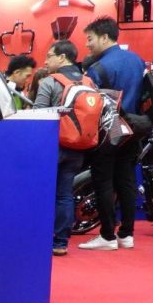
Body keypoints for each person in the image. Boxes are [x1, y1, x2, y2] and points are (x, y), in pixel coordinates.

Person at [80, 16, 148, 251]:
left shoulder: (97, 68)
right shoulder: (137, 60)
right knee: (126, 180)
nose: (87, 44)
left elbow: (90, 105)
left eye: (90, 39)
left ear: (104, 37)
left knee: (103, 181)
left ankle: (107, 235)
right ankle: (127, 234)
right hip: (134, 127)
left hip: (109, 130)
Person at [33, 41, 90, 256]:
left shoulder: (50, 81)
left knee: (42, 192)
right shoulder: (89, 82)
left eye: (50, 56)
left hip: (52, 146)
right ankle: (60, 242)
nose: (46, 61)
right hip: (78, 146)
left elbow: (38, 114)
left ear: (63, 57)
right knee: (65, 195)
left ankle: (38, 237)